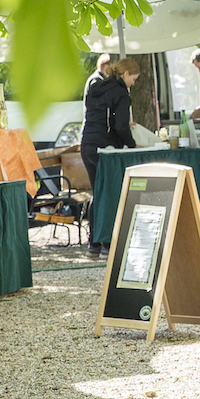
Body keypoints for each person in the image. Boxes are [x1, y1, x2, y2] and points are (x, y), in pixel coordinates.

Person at [81, 57, 139, 259]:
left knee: (98, 192)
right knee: (108, 192)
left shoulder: (96, 87)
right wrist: (131, 145)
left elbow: (101, 117)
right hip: (105, 147)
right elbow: (120, 125)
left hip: (87, 143)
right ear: (125, 74)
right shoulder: (121, 93)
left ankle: (94, 245)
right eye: (134, 78)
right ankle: (108, 245)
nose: (133, 83)